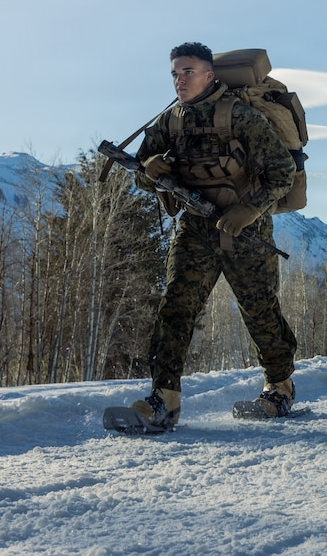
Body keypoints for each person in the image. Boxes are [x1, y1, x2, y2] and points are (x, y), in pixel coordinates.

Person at [128, 42, 299, 429]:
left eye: (187, 72)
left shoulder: (240, 116)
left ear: (209, 75)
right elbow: (141, 173)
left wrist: (250, 210)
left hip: (244, 230)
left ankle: (280, 387)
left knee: (259, 309)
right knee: (175, 308)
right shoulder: (170, 121)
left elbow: (281, 171)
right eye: (174, 73)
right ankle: (164, 397)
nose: (179, 80)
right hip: (193, 229)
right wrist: (149, 170)